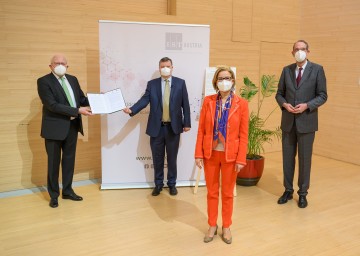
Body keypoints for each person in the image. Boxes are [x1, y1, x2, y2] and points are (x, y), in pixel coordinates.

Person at [195, 66, 249, 244]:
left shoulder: (241, 104)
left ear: (233, 81)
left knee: (227, 193)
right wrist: (198, 154)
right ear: (215, 82)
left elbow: (243, 134)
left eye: (227, 78)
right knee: (211, 192)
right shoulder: (209, 101)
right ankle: (212, 224)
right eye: (220, 78)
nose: (223, 81)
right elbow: (201, 130)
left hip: (230, 155)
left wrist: (241, 158)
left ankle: (226, 226)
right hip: (210, 153)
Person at [123, 57, 191, 196]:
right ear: (159, 68)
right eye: (162, 66)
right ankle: (158, 185)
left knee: (172, 159)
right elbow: (144, 100)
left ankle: (172, 184)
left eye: (168, 66)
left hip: (174, 128)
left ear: (172, 67)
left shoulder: (180, 83)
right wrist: (132, 110)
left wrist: (187, 123)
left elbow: (186, 104)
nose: (165, 68)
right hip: (157, 128)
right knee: (157, 158)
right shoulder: (152, 84)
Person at [275, 40, 327, 208]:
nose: (299, 52)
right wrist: (284, 104)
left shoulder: (317, 70)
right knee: (287, 159)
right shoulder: (286, 70)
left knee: (305, 160)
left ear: (308, 51)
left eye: (302, 49)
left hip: (307, 122)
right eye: (296, 49)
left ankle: (303, 193)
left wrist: (307, 105)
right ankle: (288, 190)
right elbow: (279, 94)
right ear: (292, 52)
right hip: (288, 122)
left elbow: (322, 95)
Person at [37, 54, 92, 208]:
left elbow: (81, 99)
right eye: (56, 63)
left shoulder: (72, 79)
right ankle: (54, 195)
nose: (60, 65)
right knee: (53, 163)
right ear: (50, 66)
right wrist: (77, 110)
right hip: (54, 128)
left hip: (72, 127)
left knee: (69, 161)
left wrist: (96, 100)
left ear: (67, 66)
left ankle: (67, 191)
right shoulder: (43, 81)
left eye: (63, 63)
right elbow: (51, 105)